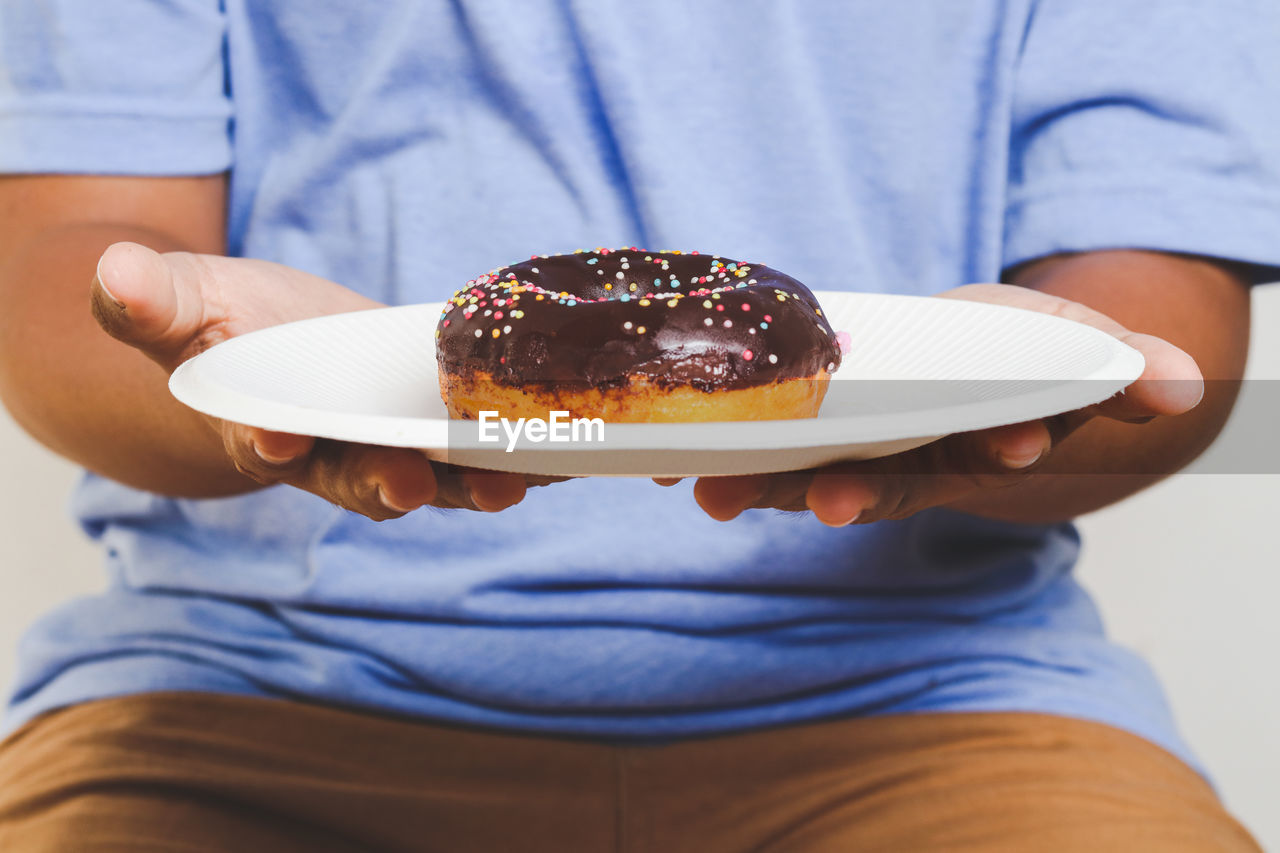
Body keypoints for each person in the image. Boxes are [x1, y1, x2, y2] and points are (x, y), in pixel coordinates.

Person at [0, 1, 1276, 850]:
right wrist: (237, 372)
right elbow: (72, 264)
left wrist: (1020, 378)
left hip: (945, 702)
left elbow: (1158, 320)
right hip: (241, 694)